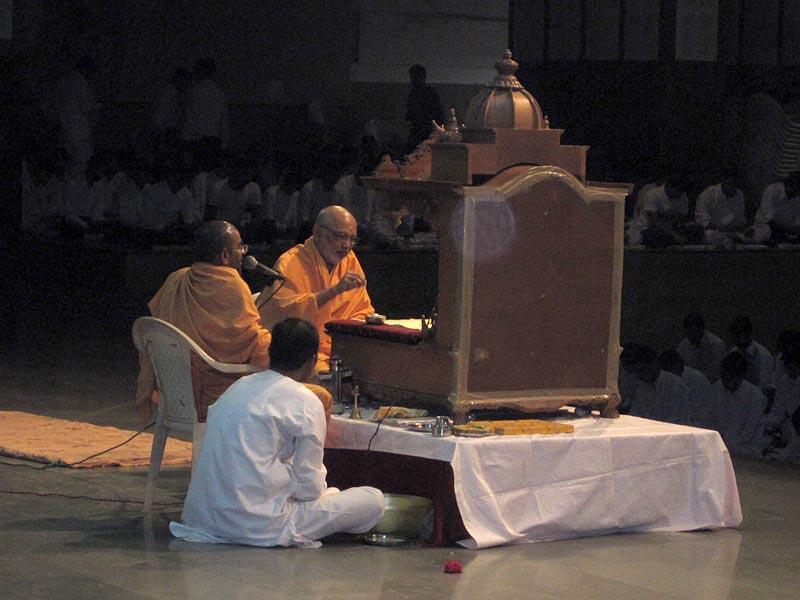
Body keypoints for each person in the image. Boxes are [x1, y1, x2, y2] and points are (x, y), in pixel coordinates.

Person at [169, 318, 385, 548]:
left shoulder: (237, 387)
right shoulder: (306, 401)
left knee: (328, 494)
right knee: (373, 500)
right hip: (258, 523)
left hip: (206, 518)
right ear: (312, 360)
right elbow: (309, 489)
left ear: (271, 353)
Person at [135, 221, 271, 424]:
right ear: (225, 255)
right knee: (276, 359)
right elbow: (249, 340)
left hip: (173, 389)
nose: (243, 253)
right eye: (240, 247)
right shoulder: (231, 283)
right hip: (215, 392)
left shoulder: (176, 279)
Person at [259, 206, 374, 372]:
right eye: (340, 236)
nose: (347, 246)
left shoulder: (349, 260)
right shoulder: (290, 262)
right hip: (299, 351)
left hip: (341, 347)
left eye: (353, 239)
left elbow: (361, 310)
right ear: (317, 232)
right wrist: (334, 291)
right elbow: (279, 315)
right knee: (322, 374)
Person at [711, 352, 767, 457]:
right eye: (724, 377)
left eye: (730, 378)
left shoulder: (755, 396)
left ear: (740, 376)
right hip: (719, 444)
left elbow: (749, 432)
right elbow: (711, 419)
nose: (726, 381)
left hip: (747, 448)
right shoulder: (716, 388)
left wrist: (728, 444)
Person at [625, 345, 690, 424]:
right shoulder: (638, 385)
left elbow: (678, 417)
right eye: (637, 371)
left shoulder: (675, 384)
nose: (640, 374)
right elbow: (635, 413)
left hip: (673, 429)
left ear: (654, 364)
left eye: (643, 369)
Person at [658, 350, 712, 427]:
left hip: (698, 424)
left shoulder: (697, 380)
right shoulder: (663, 381)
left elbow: (704, 411)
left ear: (681, 367)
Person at [728, 315, 775, 398]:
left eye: (738, 333)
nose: (735, 337)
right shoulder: (732, 353)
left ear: (748, 333)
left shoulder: (763, 356)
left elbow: (764, 386)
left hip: (756, 399)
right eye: (733, 333)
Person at [676, 312, 727, 382]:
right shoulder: (683, 345)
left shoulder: (716, 345)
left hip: (710, 385)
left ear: (701, 329)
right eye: (688, 332)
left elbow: (718, 373)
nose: (690, 336)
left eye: (693, 332)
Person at [694, 178, 748, 243]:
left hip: (732, 233)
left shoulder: (739, 195)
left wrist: (741, 229)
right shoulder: (708, 194)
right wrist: (720, 229)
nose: (732, 186)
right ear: (725, 181)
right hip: (713, 233)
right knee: (709, 235)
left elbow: (740, 220)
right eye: (730, 182)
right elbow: (704, 222)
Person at [405, 64, 444, 152]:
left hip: (429, 131)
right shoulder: (413, 94)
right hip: (417, 131)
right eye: (412, 78)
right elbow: (409, 116)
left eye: (416, 77)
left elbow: (439, 115)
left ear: (423, 77)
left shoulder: (430, 94)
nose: (414, 81)